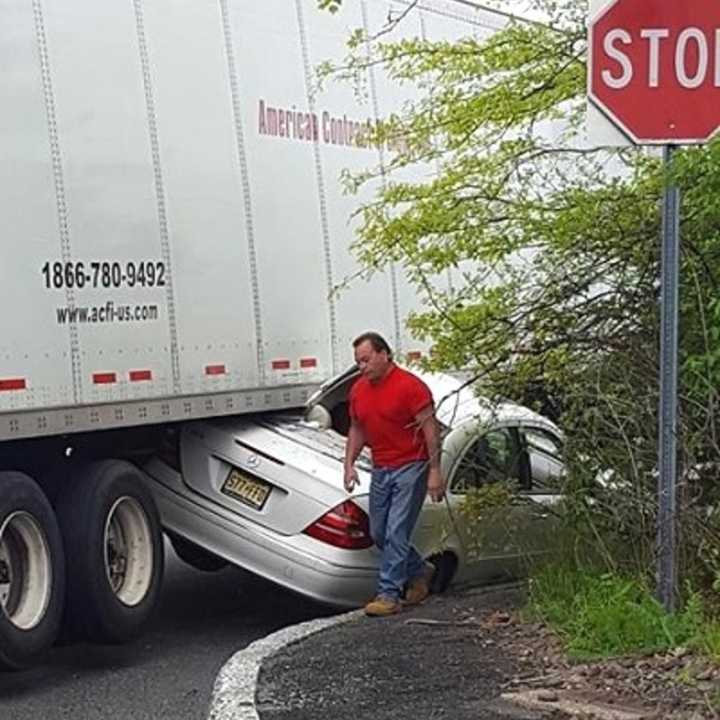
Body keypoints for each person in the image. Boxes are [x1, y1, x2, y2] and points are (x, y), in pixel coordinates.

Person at [343, 331, 446, 617]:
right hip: (381, 467)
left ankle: (389, 594)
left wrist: (435, 471)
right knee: (379, 532)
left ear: (384, 354)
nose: (362, 367)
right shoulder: (358, 391)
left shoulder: (411, 387)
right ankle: (420, 570)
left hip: (412, 465)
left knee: (397, 530)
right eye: (358, 362)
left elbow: (430, 428)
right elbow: (357, 428)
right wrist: (349, 464)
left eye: (366, 360)